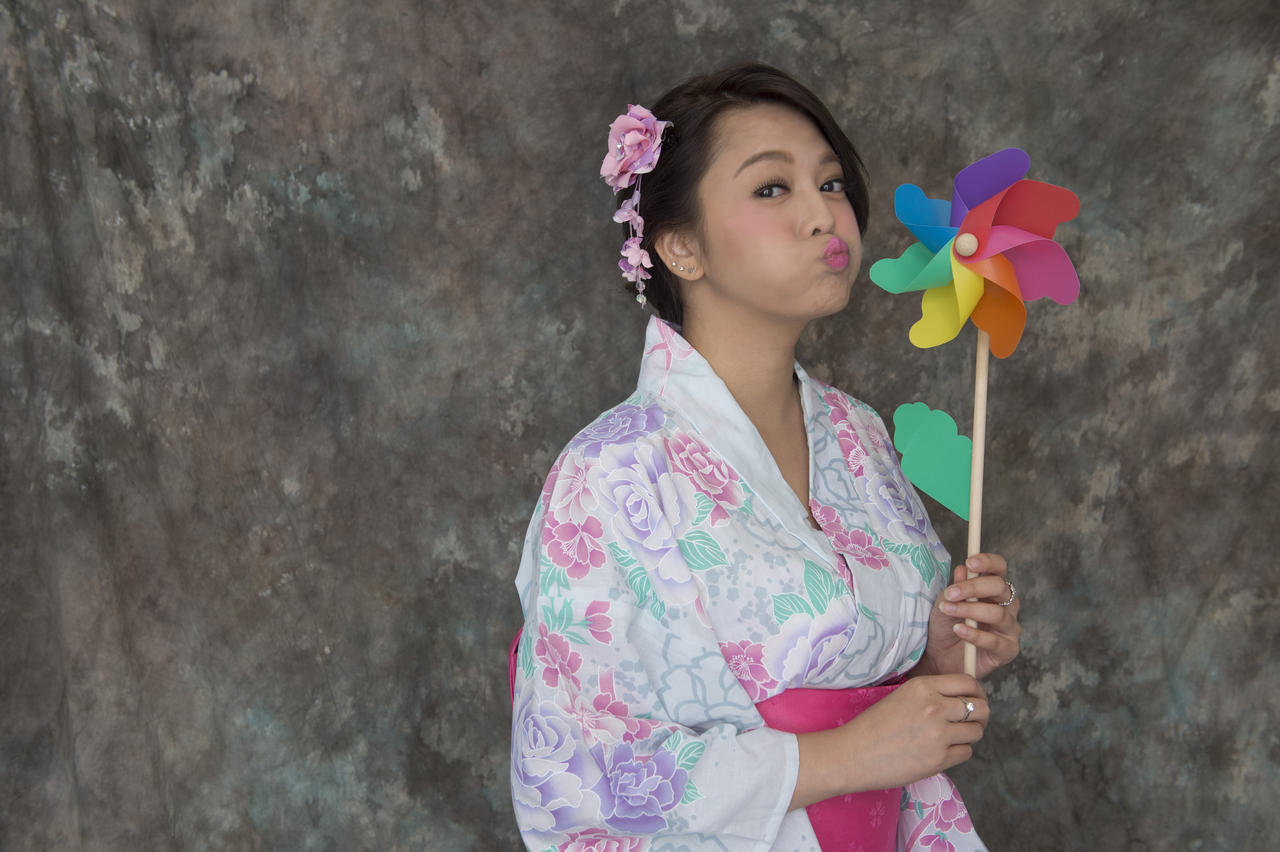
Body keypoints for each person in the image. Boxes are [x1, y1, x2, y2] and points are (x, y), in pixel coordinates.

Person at [509, 63, 1022, 851]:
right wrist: (848, 755)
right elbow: (578, 773)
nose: (824, 215)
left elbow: (882, 709)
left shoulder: (857, 435)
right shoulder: (611, 472)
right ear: (681, 247)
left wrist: (940, 662)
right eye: (772, 188)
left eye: (831, 183)